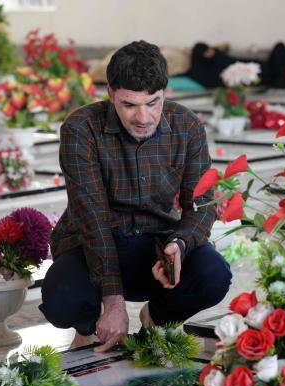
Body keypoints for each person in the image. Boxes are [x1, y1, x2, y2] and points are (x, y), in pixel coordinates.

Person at [39, 40, 232, 353]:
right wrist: (113, 302)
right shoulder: (81, 127)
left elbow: (201, 205)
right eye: (129, 105)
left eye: (153, 103)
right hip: (95, 245)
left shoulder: (188, 126)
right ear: (111, 94)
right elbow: (92, 217)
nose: (143, 117)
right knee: (63, 298)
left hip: (156, 246)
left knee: (213, 275)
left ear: (164, 93)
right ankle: (87, 331)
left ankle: (155, 316)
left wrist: (178, 245)